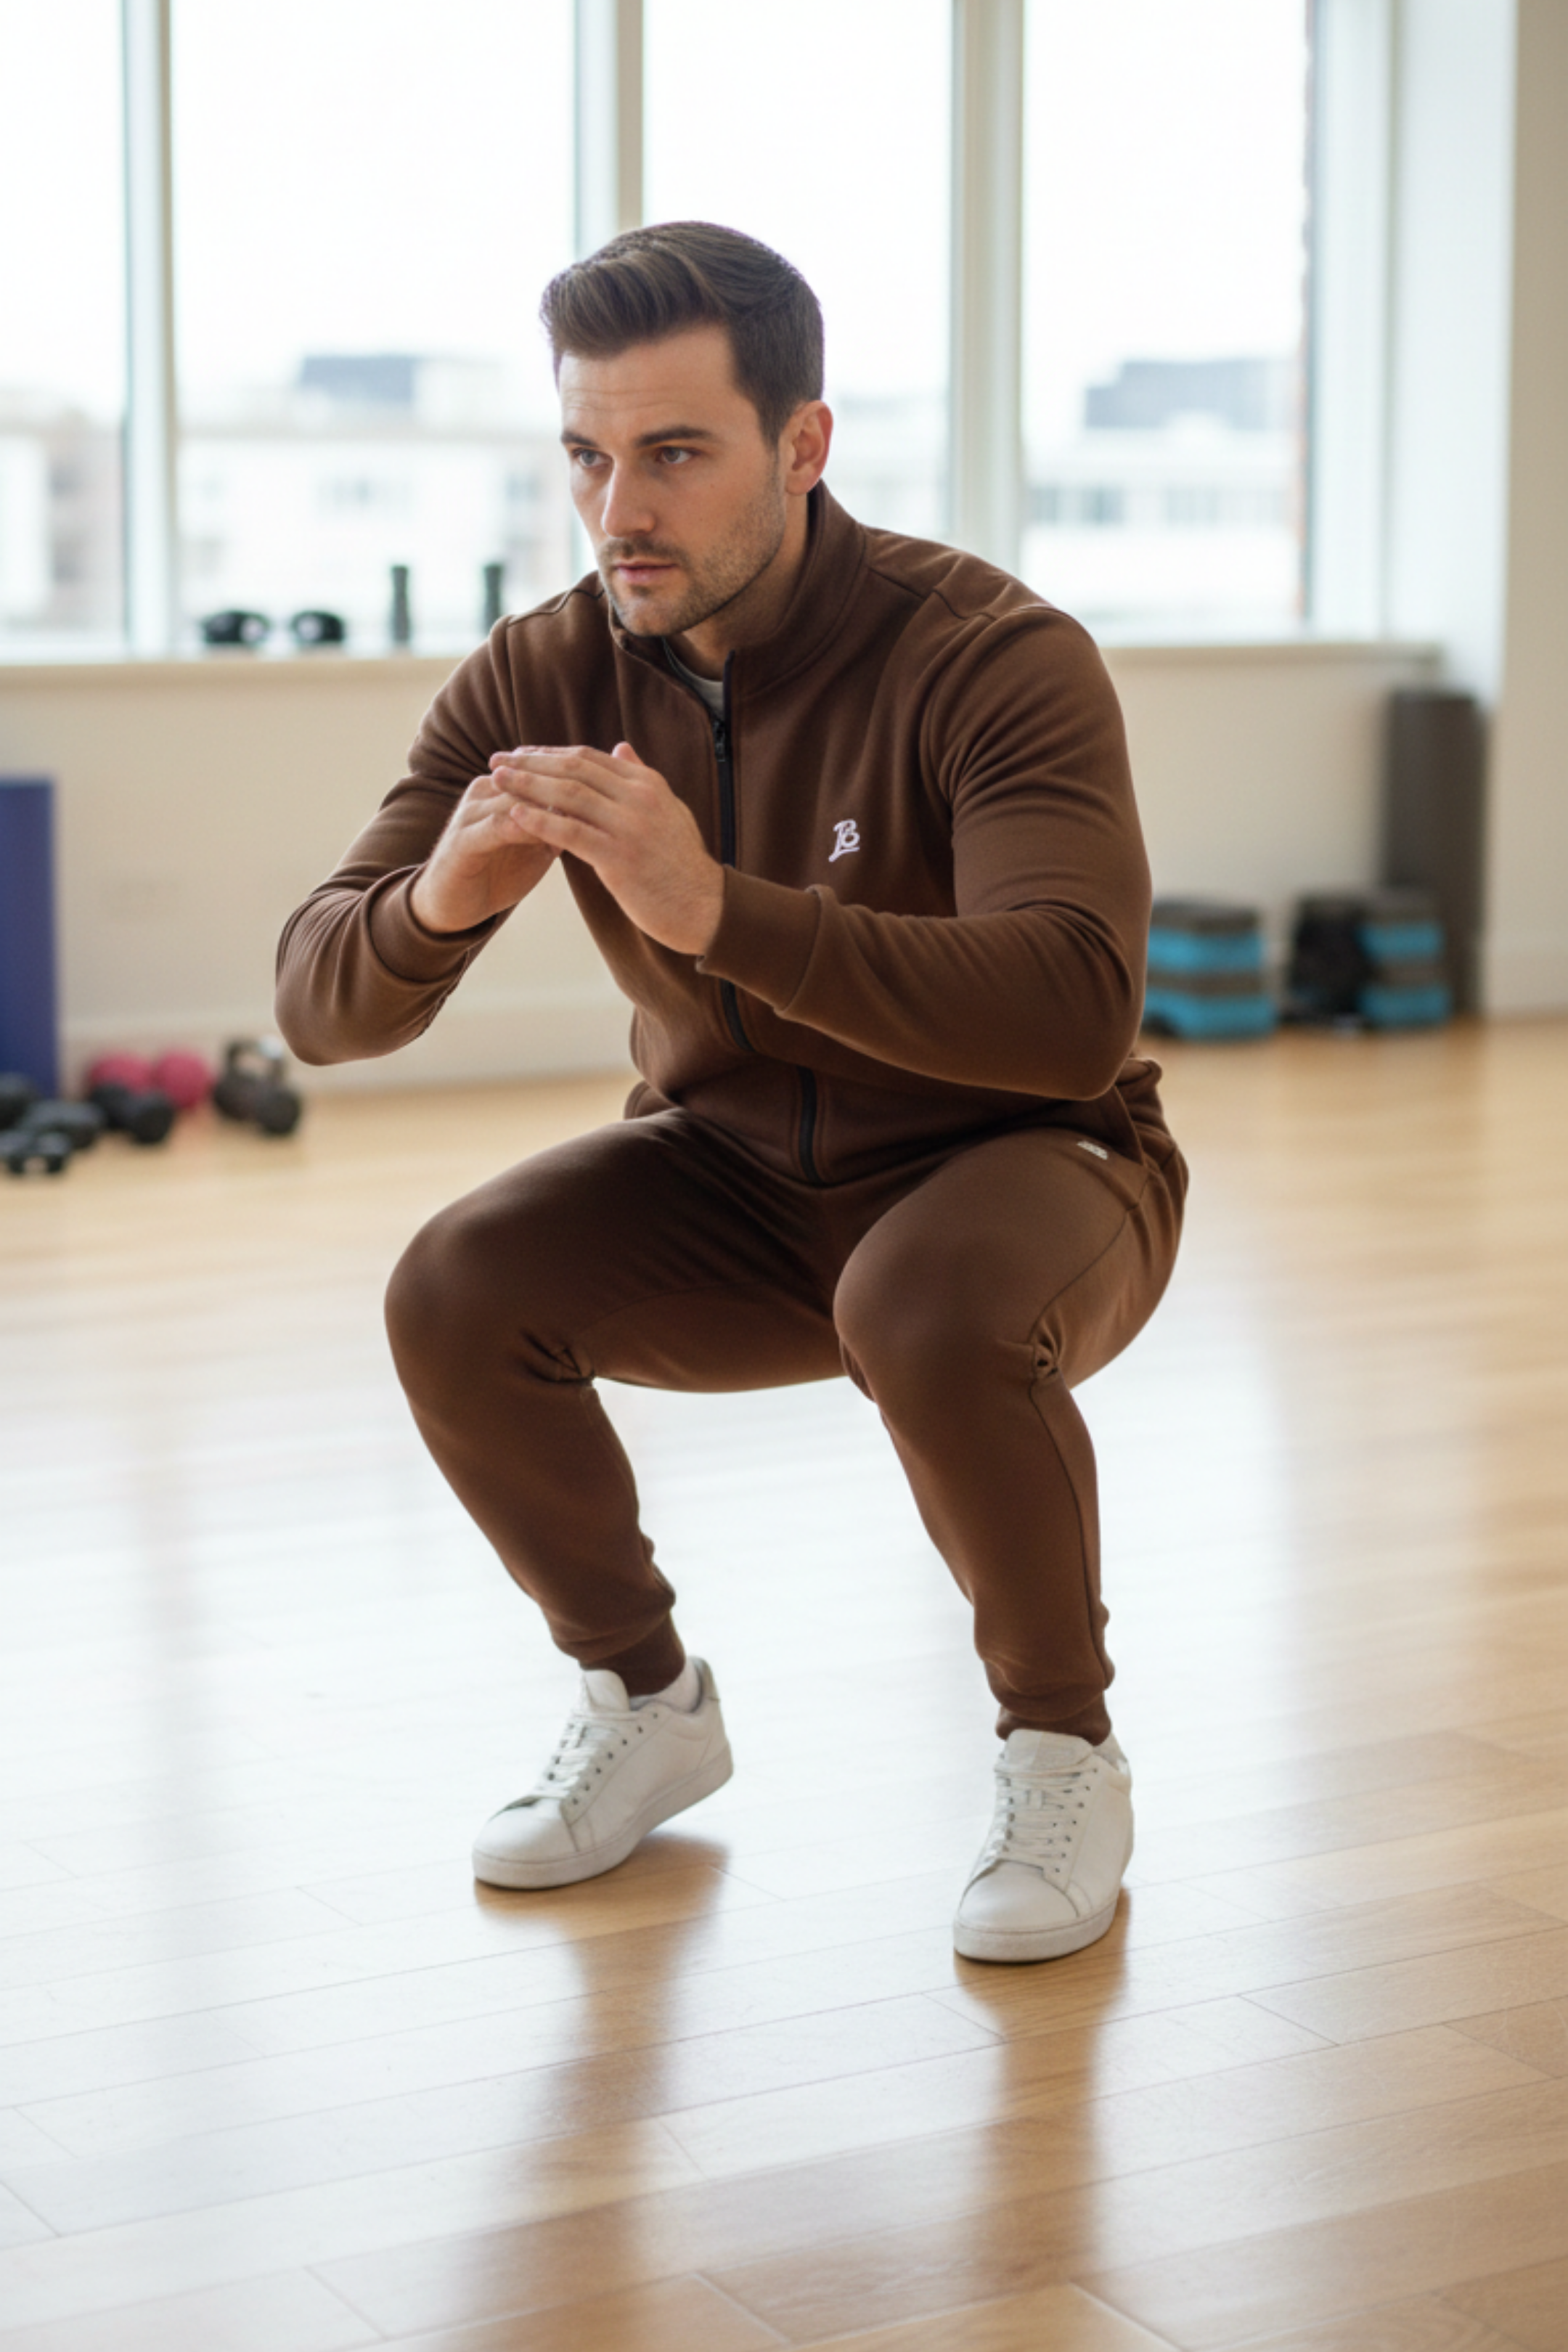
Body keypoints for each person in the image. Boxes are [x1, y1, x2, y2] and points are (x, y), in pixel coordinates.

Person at [275, 220, 1186, 1964]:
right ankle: (648, 1704)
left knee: (919, 1302)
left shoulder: (989, 653)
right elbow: (320, 1004)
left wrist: (722, 915)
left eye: (676, 454)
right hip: (736, 1175)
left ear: (802, 446)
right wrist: (437, 904)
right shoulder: (542, 670)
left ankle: (1065, 1748)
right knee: (455, 1285)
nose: (621, 507)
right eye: (587, 457)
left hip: (1030, 1163)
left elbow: (1074, 1006)